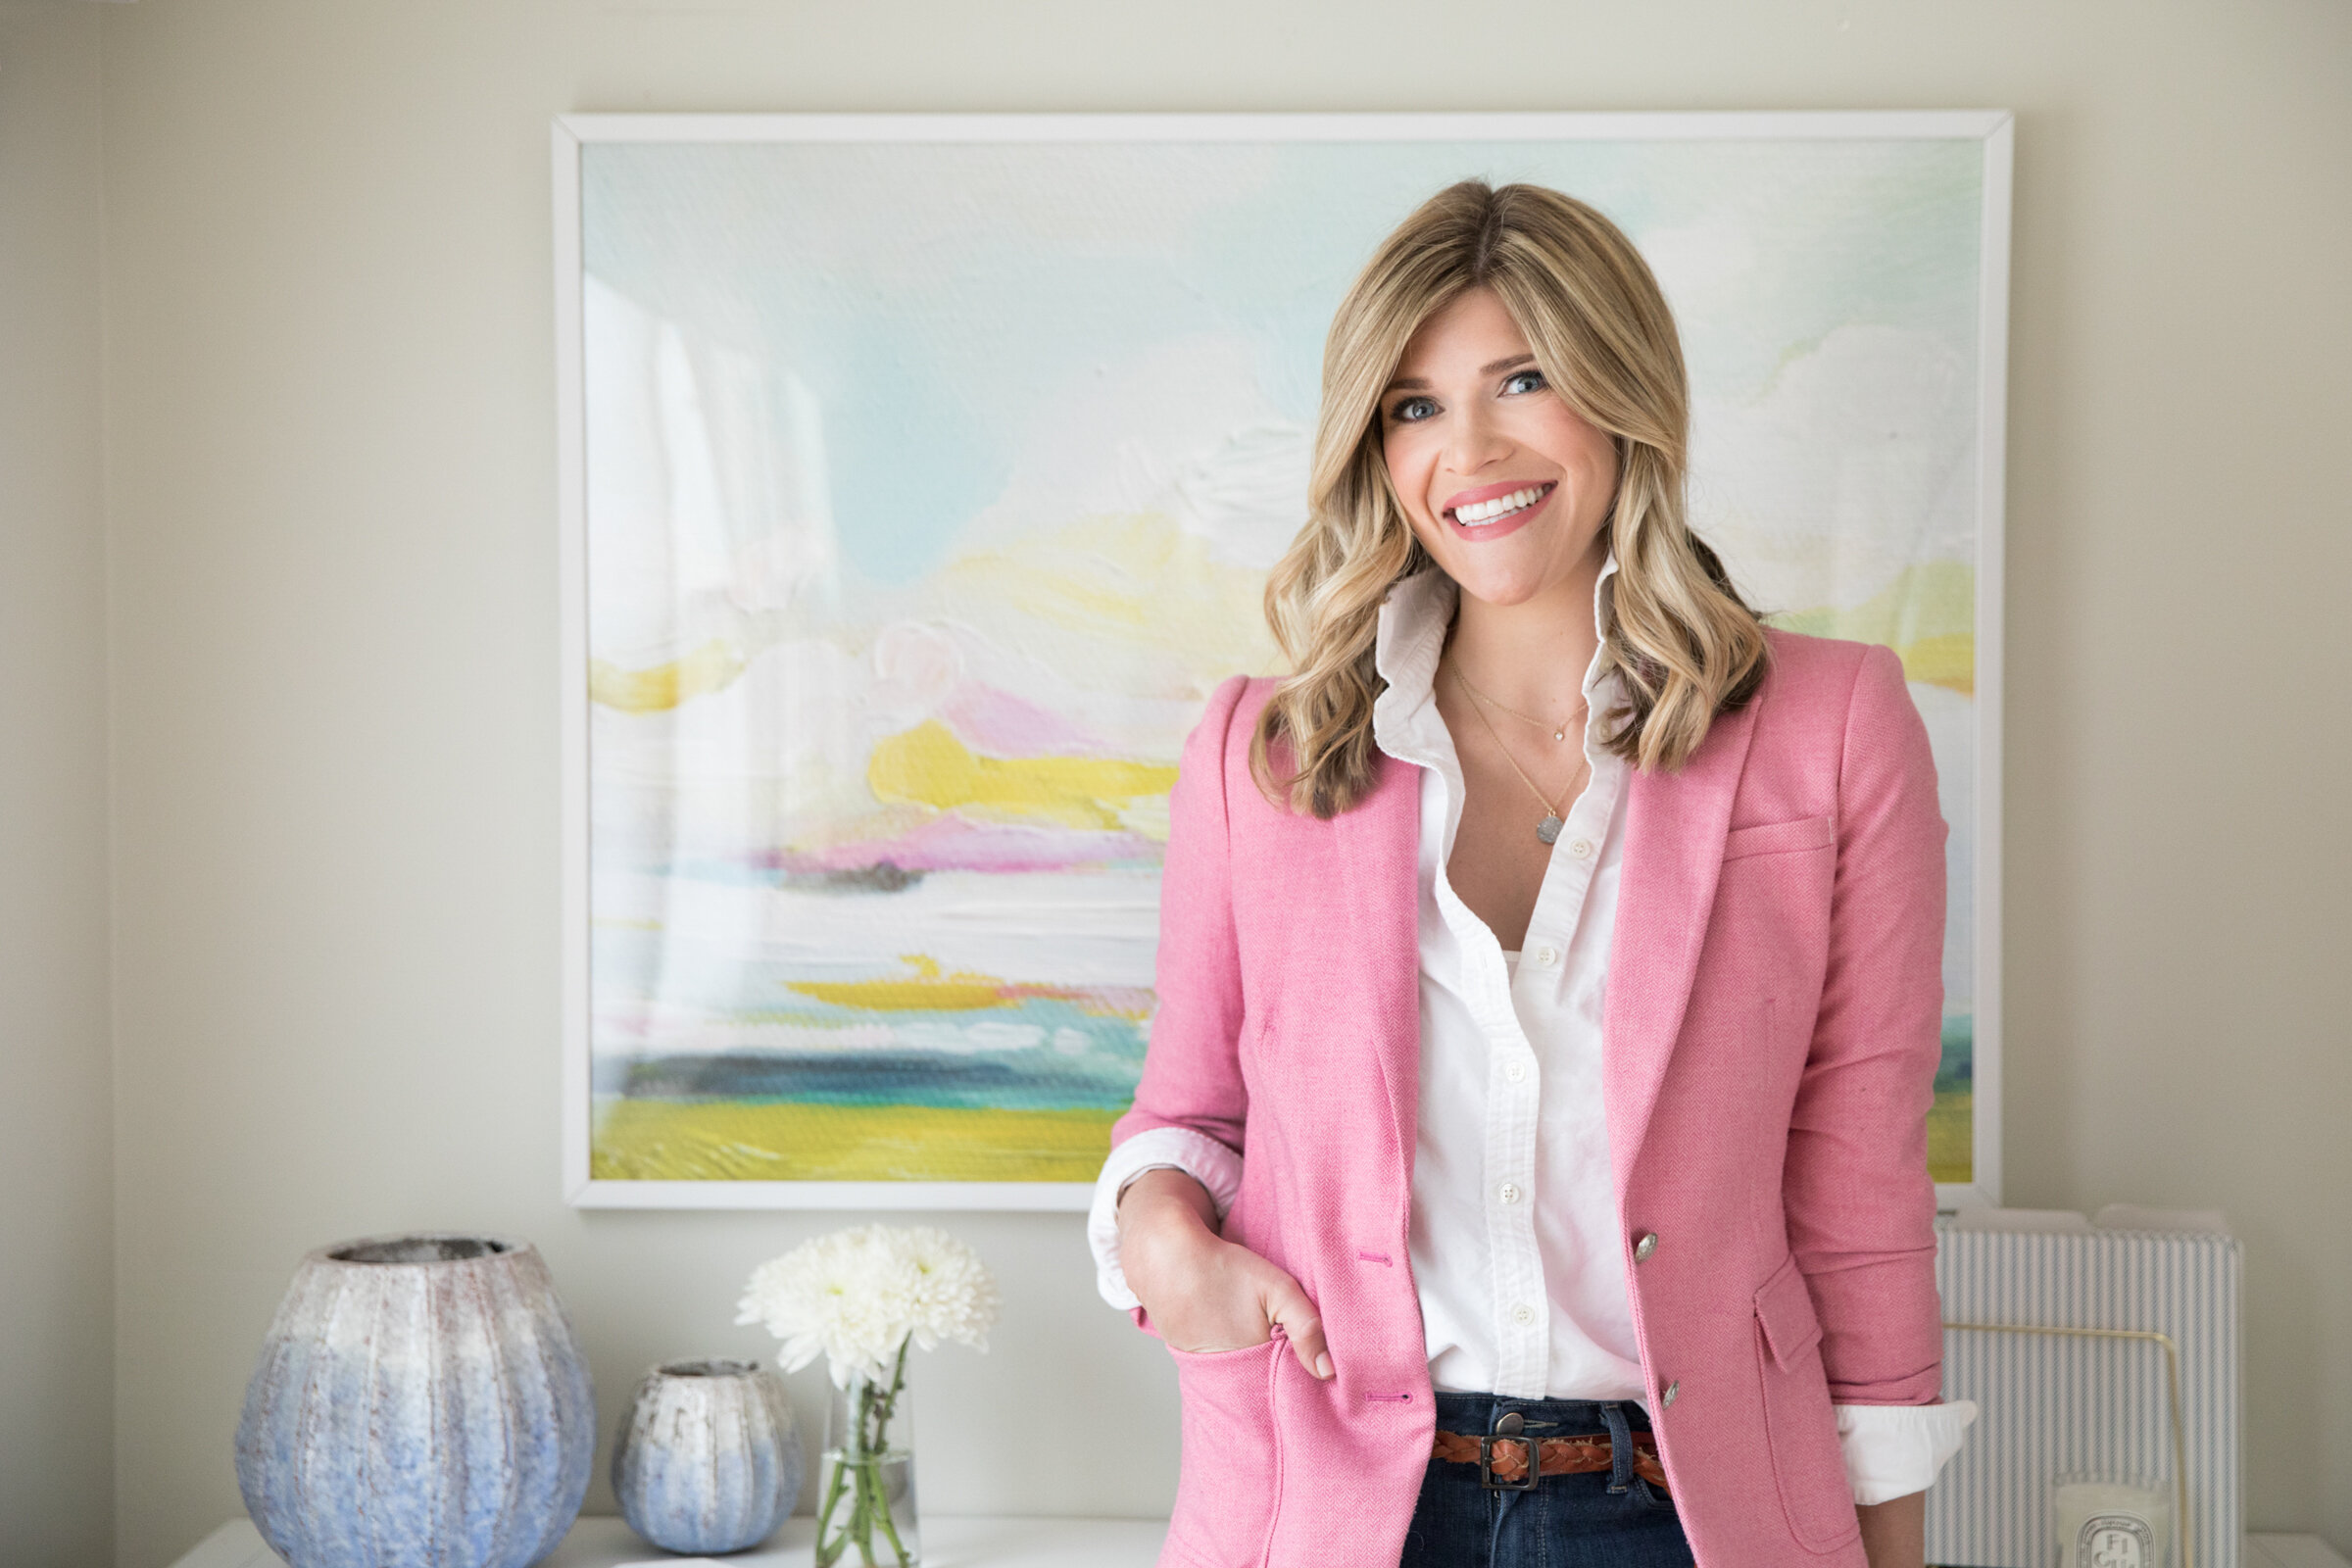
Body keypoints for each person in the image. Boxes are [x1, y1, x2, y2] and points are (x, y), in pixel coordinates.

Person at [1084, 180, 1974, 1568]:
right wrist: (1158, 1244)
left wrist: (1891, 1546)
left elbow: (1859, 1186)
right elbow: (1187, 1117)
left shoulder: (1836, 729)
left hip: (1685, 1511)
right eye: (1414, 404)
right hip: (1328, 1506)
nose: (1470, 447)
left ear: (1622, 392)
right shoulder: (1260, 752)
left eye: (1525, 379)